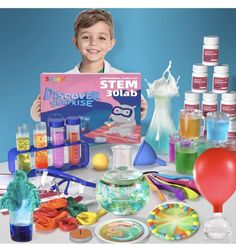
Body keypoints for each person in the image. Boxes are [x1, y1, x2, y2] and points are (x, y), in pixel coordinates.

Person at [30, 9, 148, 122]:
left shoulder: (123, 80)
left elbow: (131, 118)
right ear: (76, 42)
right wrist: (37, 115)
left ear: (111, 44)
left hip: (111, 142)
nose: (93, 43)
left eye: (101, 38)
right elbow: (54, 119)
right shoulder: (60, 83)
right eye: (86, 37)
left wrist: (141, 112)